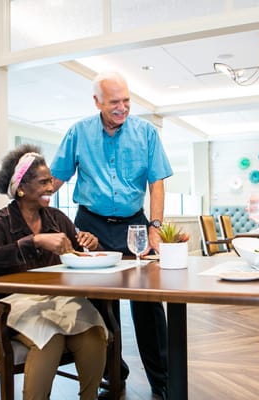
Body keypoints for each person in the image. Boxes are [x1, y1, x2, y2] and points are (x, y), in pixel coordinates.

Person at [50, 71, 173, 400]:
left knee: (147, 304)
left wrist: (155, 227)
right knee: (100, 307)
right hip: (91, 226)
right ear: (97, 102)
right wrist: (31, 201)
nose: (122, 108)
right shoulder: (78, 133)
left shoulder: (146, 132)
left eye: (127, 101)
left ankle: (162, 381)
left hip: (134, 224)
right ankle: (112, 374)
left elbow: (157, 182)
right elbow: (55, 179)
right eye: (115, 102)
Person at [0, 144, 108, 400]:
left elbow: (85, 252)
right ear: (21, 188)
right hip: (10, 302)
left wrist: (92, 243)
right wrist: (33, 242)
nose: (51, 187)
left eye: (51, 181)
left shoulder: (57, 218)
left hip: (54, 300)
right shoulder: (1, 222)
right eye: (43, 182)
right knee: (49, 339)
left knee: (93, 334)